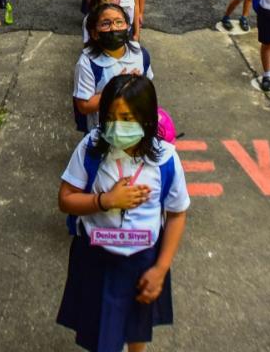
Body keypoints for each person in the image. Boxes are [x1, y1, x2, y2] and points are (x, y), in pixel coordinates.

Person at [57, 74, 189, 352]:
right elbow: (66, 200)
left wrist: (161, 269)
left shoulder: (165, 158)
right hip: (97, 259)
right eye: (111, 117)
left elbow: (176, 214)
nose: (118, 127)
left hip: (142, 262)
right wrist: (104, 201)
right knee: (101, 336)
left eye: (128, 118)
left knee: (137, 329)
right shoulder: (91, 148)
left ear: (147, 119)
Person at [74, 4, 156, 133]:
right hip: (103, 129)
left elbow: (147, 88)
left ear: (127, 27)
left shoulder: (140, 54)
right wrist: (118, 89)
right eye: (106, 24)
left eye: (119, 22)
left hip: (134, 126)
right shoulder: (87, 62)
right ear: (95, 33)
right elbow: (84, 106)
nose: (113, 27)